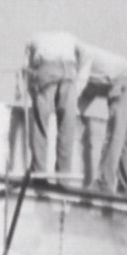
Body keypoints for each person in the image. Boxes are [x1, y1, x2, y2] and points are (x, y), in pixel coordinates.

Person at [17, 32, 88, 181]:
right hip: (69, 73)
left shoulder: (32, 40)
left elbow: (25, 69)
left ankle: (39, 174)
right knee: (66, 127)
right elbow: (86, 55)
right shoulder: (72, 38)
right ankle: (63, 178)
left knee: (40, 125)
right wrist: (78, 82)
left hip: (45, 71)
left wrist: (26, 90)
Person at [75, 41, 127, 192]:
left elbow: (77, 92)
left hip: (125, 84)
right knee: (126, 140)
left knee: (114, 135)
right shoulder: (92, 72)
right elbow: (82, 100)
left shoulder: (81, 59)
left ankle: (103, 183)